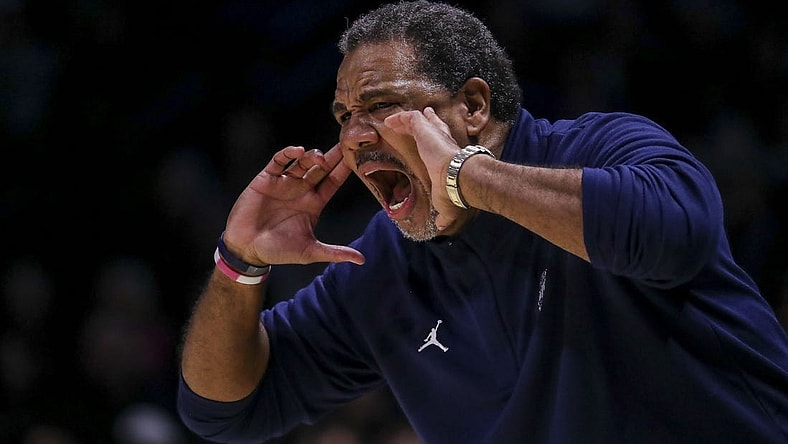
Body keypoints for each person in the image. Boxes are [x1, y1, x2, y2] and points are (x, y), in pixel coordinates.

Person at [176, 1, 788, 443]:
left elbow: (669, 235)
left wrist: (466, 177)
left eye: (382, 106)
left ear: (471, 106)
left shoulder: (602, 146)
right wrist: (239, 264)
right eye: (344, 115)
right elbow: (222, 409)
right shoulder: (380, 267)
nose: (356, 137)